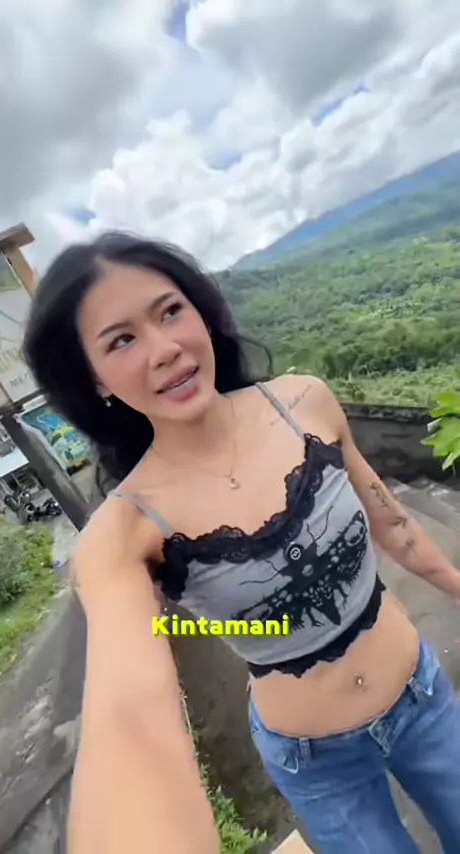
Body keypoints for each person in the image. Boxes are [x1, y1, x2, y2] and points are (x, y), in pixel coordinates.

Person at [23, 231, 460, 854]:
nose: (165, 349)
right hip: (317, 763)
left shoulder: (304, 402)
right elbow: (131, 715)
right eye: (121, 340)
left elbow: (395, 525)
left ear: (202, 312)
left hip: (421, 695)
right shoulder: (121, 535)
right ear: (93, 381)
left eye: (170, 311)